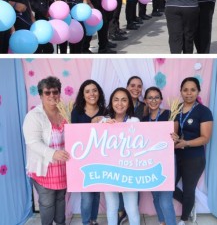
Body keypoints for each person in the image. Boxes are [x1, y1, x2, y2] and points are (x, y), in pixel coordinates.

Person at [23, 76, 70, 225]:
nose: (52, 96)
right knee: (47, 203)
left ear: (59, 93)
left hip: (63, 167)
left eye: (55, 92)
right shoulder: (34, 116)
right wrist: (53, 153)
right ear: (41, 95)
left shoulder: (65, 112)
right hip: (44, 168)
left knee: (61, 200)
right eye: (47, 92)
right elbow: (32, 142)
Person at [171, 77, 213, 225]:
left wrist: (186, 143)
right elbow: (174, 131)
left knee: (189, 189)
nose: (189, 93)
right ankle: (189, 205)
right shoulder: (176, 109)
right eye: (185, 90)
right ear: (181, 91)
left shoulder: (204, 111)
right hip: (177, 156)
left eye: (193, 90)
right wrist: (174, 138)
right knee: (168, 186)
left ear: (198, 91)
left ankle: (184, 219)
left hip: (194, 158)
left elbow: (205, 138)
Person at [100, 88, 140, 225]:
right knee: (111, 207)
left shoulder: (135, 121)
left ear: (129, 103)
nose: (120, 103)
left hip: (129, 171)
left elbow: (140, 146)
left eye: (124, 100)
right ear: (111, 102)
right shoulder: (104, 121)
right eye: (116, 99)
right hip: (108, 171)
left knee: (132, 208)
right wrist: (103, 126)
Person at [71, 80, 106, 225]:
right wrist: (91, 126)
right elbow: (74, 137)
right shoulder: (77, 112)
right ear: (83, 95)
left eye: (94, 90)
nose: (92, 94)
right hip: (83, 159)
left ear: (99, 92)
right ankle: (86, 222)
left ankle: (93, 220)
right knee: (86, 196)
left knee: (97, 194)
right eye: (87, 91)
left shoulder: (105, 111)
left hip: (101, 159)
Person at [143, 86, 177, 225]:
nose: (153, 100)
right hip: (150, 161)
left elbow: (175, 137)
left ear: (161, 99)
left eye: (156, 97)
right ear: (145, 100)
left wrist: (176, 137)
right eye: (150, 97)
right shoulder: (143, 119)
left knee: (165, 199)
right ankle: (162, 222)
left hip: (166, 161)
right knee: (156, 196)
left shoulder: (170, 114)